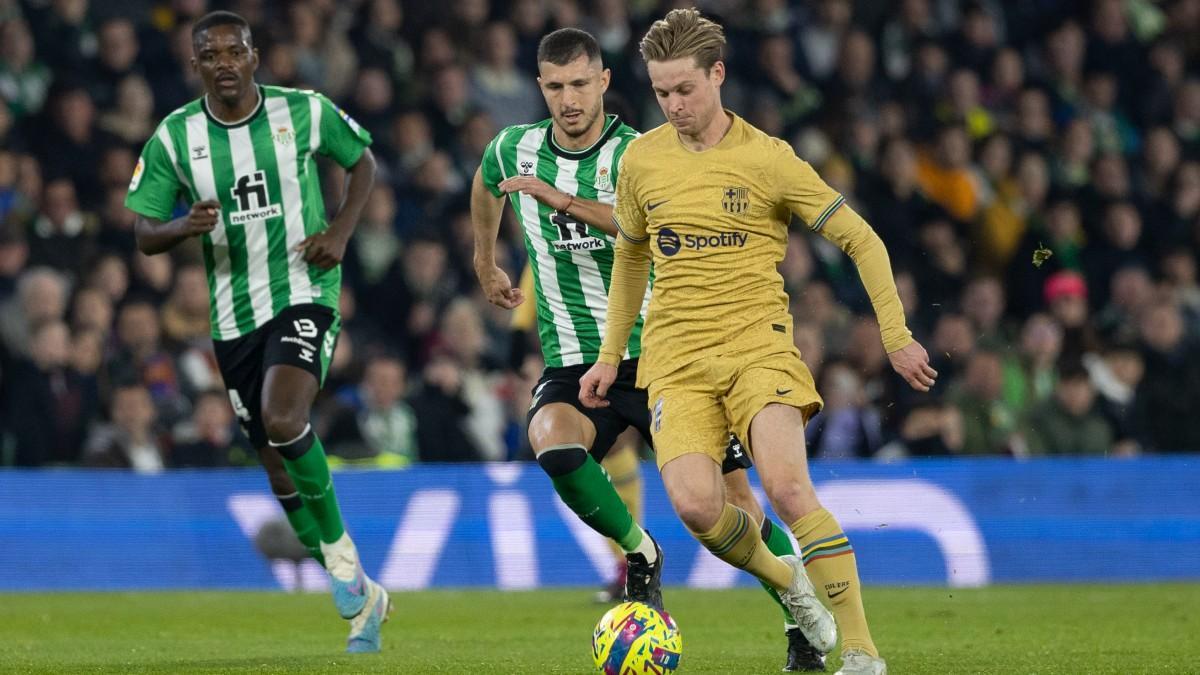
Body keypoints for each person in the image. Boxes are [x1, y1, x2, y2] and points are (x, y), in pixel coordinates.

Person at [580, 10, 938, 675]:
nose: (672, 104)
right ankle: (792, 584)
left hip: (757, 346)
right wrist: (609, 354)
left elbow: (861, 238)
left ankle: (861, 651)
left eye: (684, 89)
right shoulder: (641, 161)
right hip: (675, 358)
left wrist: (896, 334)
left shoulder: (767, 158)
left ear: (718, 74)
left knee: (787, 487)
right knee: (695, 505)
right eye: (660, 92)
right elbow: (631, 256)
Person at [471, 28, 824, 671]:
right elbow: (486, 181)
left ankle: (800, 617)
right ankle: (640, 552)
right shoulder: (513, 149)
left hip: (667, 356)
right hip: (578, 357)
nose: (568, 99)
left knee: (734, 510)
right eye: (555, 87)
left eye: (580, 84)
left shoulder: (642, 154)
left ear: (604, 82)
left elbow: (643, 224)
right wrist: (484, 259)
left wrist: (565, 202)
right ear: (540, 88)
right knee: (550, 438)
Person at [123, 11, 390, 653]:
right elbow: (142, 232)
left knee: (283, 416)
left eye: (233, 51)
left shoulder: (304, 110)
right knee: (274, 467)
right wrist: (183, 226)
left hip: (304, 290)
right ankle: (361, 598)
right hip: (232, 316)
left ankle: (345, 565)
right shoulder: (174, 137)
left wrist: (341, 234)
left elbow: (363, 164)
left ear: (254, 56)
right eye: (209, 54)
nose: (223, 63)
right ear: (197, 66)